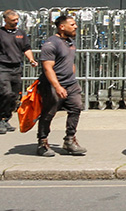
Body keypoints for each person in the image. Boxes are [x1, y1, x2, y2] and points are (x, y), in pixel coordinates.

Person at [35, 13, 87, 157]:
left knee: (76, 107)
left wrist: (73, 78)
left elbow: (70, 62)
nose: (75, 26)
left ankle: (69, 140)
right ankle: (42, 142)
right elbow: (47, 68)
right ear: (62, 27)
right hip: (52, 85)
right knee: (48, 113)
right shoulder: (51, 44)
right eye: (72, 24)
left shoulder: (70, 42)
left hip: (71, 84)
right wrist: (57, 86)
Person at [0, 10, 35, 134]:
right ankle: (1, 119)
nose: (16, 22)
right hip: (2, 68)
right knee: (6, 93)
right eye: (13, 20)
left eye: (17, 19)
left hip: (16, 68)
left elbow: (26, 48)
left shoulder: (21, 33)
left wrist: (31, 59)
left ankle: (5, 118)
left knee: (14, 97)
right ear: (6, 20)